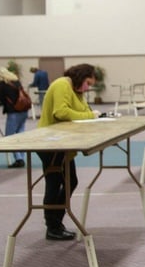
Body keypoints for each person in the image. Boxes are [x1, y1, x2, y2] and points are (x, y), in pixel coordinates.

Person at [37, 63, 100, 241]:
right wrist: (90, 116)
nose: (88, 88)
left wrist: (94, 115)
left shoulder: (76, 91)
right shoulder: (62, 84)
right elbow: (61, 112)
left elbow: (85, 110)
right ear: (81, 76)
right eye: (88, 83)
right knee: (55, 183)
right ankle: (52, 226)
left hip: (64, 145)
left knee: (71, 181)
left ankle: (56, 223)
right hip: (50, 144)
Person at [0, 66, 28, 168]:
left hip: (13, 113)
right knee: (20, 135)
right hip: (23, 111)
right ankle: (22, 156)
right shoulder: (16, 80)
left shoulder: (1, 83)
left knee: (10, 136)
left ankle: (19, 159)